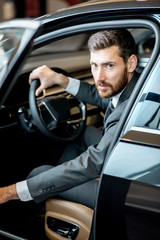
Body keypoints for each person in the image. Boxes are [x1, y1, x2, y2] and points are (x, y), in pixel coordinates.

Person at [0, 29, 139, 209]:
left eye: (109, 66)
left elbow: (95, 161)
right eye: (94, 65)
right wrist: (59, 79)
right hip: (127, 162)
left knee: (39, 173)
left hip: (127, 192)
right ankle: (62, 182)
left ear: (131, 63)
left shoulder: (129, 108)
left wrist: (9, 192)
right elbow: (101, 97)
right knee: (81, 133)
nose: (99, 77)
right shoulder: (136, 82)